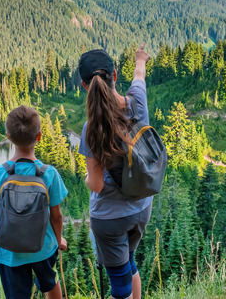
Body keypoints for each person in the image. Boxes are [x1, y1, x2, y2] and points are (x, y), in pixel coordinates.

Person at [78, 44, 152, 299]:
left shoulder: (91, 128)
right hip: (142, 207)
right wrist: (140, 59)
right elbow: (139, 76)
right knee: (129, 263)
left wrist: (86, 177)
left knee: (119, 288)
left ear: (85, 85)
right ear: (115, 76)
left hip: (110, 218)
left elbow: (97, 184)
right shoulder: (137, 102)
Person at [0, 105, 68, 299]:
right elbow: (56, 217)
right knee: (51, 282)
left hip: (10, 253)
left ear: (7, 135)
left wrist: (6, 238)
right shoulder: (49, 173)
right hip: (43, 248)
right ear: (39, 136)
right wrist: (58, 241)